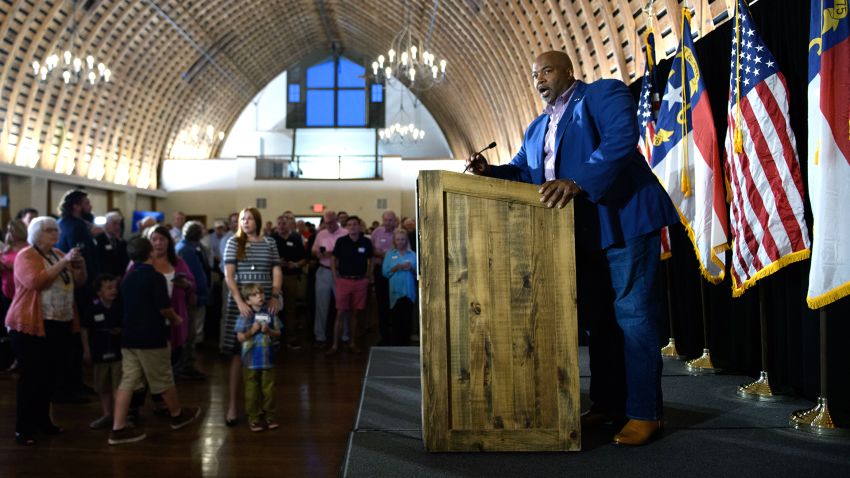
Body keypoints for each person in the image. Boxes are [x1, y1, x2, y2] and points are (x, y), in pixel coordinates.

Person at [465, 50, 679, 446]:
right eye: (533, 75)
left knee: (634, 319)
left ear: (568, 70)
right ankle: (608, 404)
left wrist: (577, 181)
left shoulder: (602, 94)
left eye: (546, 70)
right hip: (578, 236)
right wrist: (488, 171)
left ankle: (646, 413)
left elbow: (620, 140)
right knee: (600, 324)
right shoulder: (534, 129)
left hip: (624, 222)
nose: (539, 80)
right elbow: (524, 172)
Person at [108, 237, 201, 445]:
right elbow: (163, 308)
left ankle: (118, 427)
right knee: (163, 378)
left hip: (129, 337)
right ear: (150, 253)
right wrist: (176, 319)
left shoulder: (128, 277)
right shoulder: (156, 278)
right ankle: (177, 415)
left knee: (128, 380)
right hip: (151, 337)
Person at [5, 217, 86, 445]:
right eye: (50, 230)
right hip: (30, 325)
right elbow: (36, 282)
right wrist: (64, 262)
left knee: (50, 376)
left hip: (59, 323)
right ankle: (24, 428)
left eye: (56, 230)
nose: (55, 234)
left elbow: (78, 283)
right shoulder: (26, 256)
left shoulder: (58, 254)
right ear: (36, 234)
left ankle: (44, 421)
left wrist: (80, 266)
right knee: (32, 377)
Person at [222, 208, 282, 426]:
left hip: (264, 302)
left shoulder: (269, 243)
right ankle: (233, 406)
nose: (246, 222)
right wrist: (239, 301)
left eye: (249, 218)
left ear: (257, 221)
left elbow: (276, 270)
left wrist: (275, 295)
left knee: (263, 348)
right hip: (240, 305)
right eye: (242, 219)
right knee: (239, 352)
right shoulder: (233, 242)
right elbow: (229, 275)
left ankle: (263, 408)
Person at [234, 283, 282, 432]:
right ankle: (253, 418)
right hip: (250, 361)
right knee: (251, 390)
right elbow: (240, 337)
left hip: (267, 359)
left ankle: (270, 416)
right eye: (254, 295)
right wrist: (252, 331)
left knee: (269, 390)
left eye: (260, 293)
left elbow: (278, 333)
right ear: (247, 301)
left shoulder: (270, 313)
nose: (259, 297)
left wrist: (269, 331)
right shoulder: (244, 316)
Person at [81, 274, 123, 429]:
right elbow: (84, 330)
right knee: (103, 386)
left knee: (118, 387)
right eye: (109, 288)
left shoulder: (120, 308)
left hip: (118, 354)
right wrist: (87, 351)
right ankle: (107, 414)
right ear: (99, 292)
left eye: (115, 287)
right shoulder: (92, 310)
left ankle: (120, 417)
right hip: (99, 354)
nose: (113, 291)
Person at [327, 216, 372, 355]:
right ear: (346, 227)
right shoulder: (341, 241)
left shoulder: (366, 242)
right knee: (340, 313)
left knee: (355, 314)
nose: (353, 227)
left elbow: (371, 259)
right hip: (344, 281)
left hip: (360, 281)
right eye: (350, 224)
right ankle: (335, 345)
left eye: (355, 224)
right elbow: (333, 258)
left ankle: (352, 343)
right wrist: (335, 276)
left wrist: (368, 276)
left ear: (360, 226)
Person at [175, 221, 210, 380]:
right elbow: (190, 275)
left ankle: (187, 364)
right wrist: (195, 292)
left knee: (192, 332)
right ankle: (184, 366)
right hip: (190, 296)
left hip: (195, 294)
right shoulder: (186, 250)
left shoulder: (189, 247)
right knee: (189, 333)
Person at [311, 210, 347, 347]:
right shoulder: (321, 233)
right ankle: (320, 335)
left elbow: (348, 252)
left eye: (331, 222)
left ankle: (344, 334)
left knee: (343, 306)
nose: (329, 226)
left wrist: (333, 253)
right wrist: (318, 253)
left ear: (336, 220)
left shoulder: (345, 233)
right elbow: (313, 250)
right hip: (324, 270)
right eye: (326, 223)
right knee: (321, 305)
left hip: (340, 272)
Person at [271, 214, 307, 350]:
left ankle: (291, 338)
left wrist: (296, 265)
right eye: (279, 223)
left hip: (290, 277)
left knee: (291, 308)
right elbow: (265, 259)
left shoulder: (296, 238)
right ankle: (274, 337)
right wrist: (276, 262)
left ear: (290, 224)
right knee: (273, 308)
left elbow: (304, 258)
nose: (281, 226)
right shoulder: (271, 239)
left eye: (284, 223)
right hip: (273, 277)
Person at [381, 229, 417, 346]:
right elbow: (385, 273)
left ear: (406, 240)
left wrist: (411, 268)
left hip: (409, 292)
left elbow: (419, 275)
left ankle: (406, 346)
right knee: (396, 321)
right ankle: (396, 345)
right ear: (394, 241)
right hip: (395, 292)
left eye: (403, 239)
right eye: (398, 239)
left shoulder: (413, 255)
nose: (400, 242)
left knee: (407, 322)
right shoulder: (390, 254)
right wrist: (395, 268)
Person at [370, 211, 398, 345]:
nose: (388, 222)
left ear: (395, 221)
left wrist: (385, 255)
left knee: (394, 302)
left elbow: (400, 252)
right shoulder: (376, 232)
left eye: (391, 220)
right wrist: (386, 254)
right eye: (386, 220)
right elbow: (372, 250)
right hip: (380, 271)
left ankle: (395, 334)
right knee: (382, 303)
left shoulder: (399, 233)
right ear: (382, 220)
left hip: (395, 272)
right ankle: (384, 334)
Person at [94, 212, 129, 279]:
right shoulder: (98, 240)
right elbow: (99, 262)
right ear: (106, 224)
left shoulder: (122, 242)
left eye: (119, 224)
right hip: (104, 279)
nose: (118, 227)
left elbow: (124, 261)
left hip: (120, 279)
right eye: (114, 224)